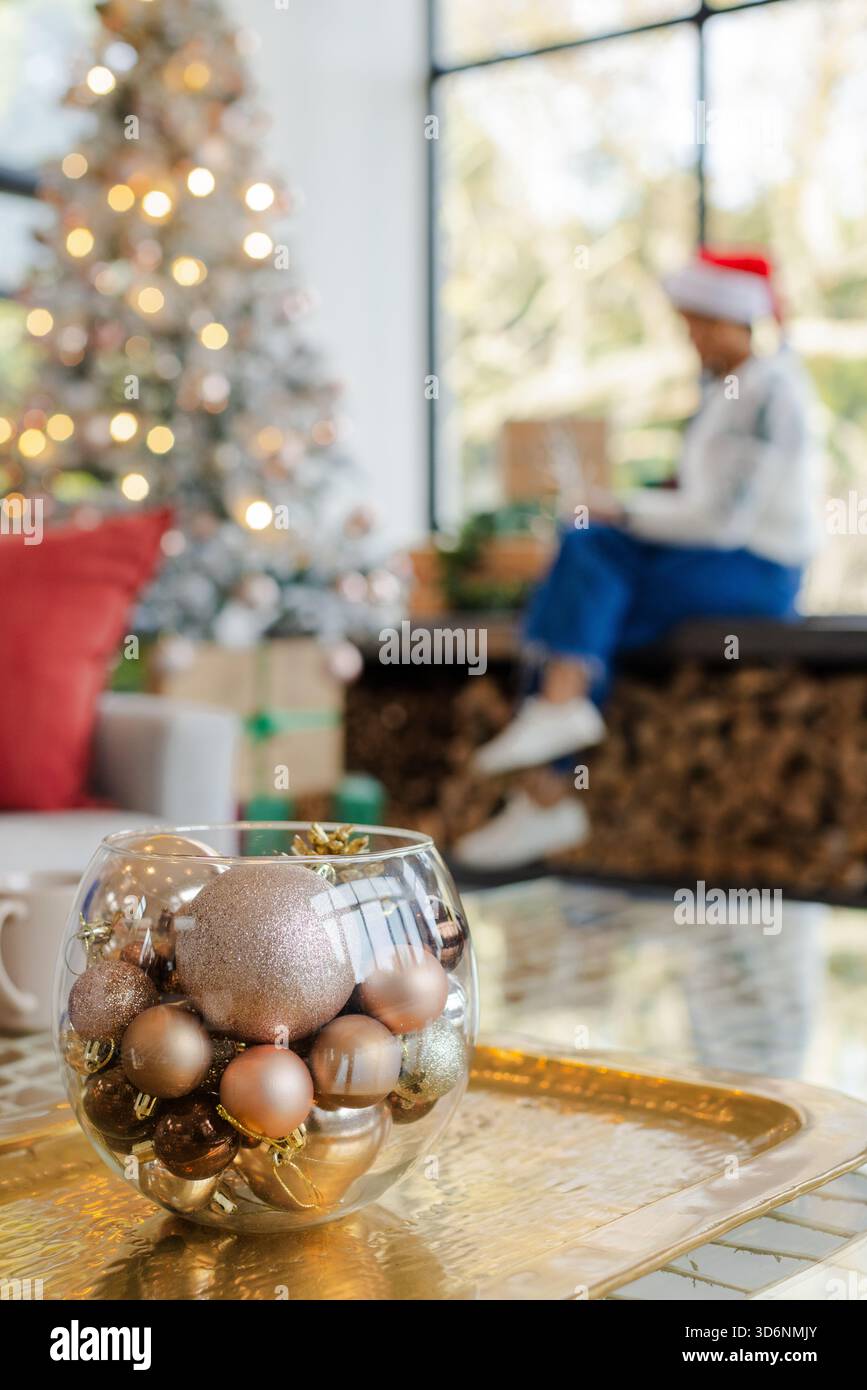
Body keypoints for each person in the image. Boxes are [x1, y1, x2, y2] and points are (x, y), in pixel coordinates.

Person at [455, 248, 820, 870]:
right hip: (724, 560)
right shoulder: (732, 392)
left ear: (735, 319)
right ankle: (554, 742)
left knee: (588, 556)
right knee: (592, 590)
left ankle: (552, 755)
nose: (692, 339)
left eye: (699, 324)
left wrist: (619, 509)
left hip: (757, 572)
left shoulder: (769, 392)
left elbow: (721, 519)